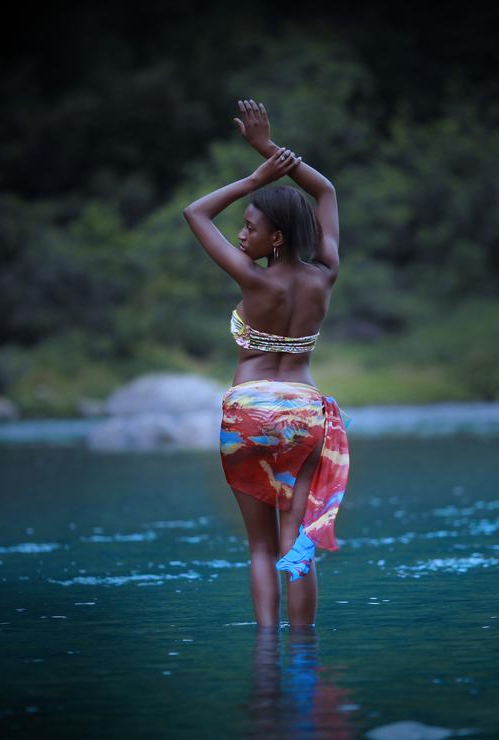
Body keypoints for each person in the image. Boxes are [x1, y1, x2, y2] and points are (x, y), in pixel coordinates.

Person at [183, 99, 351, 628]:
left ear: (276, 238)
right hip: (303, 413)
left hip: (248, 414)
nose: (241, 235)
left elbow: (195, 212)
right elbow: (325, 191)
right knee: (294, 542)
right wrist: (271, 149)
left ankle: (263, 652)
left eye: (250, 227)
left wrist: (257, 175)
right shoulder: (325, 274)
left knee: (259, 546)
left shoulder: (251, 278)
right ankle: (303, 651)